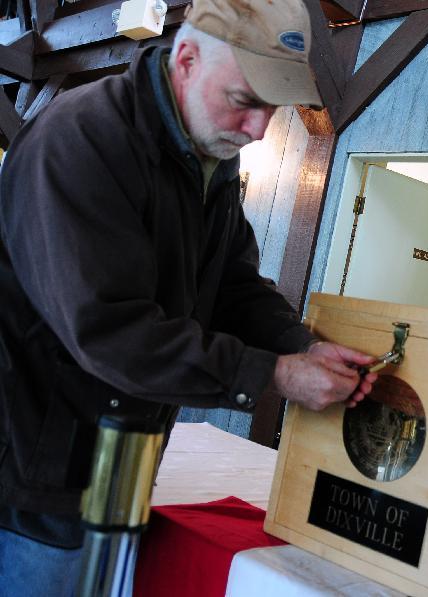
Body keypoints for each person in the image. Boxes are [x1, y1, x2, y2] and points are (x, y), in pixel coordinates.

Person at [0, 0, 376, 593]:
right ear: (186, 57)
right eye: (245, 100)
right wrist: (274, 374)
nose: (257, 131)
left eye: (270, 109)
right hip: (30, 477)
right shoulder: (80, 139)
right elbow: (111, 331)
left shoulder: (206, 159)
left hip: (115, 465)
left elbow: (232, 285)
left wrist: (302, 344)